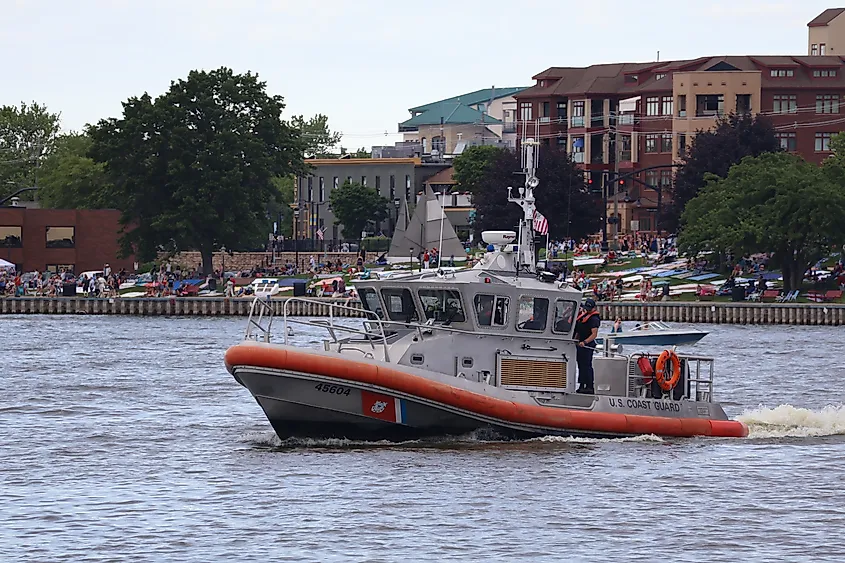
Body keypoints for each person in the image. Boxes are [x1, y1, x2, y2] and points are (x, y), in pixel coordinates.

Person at [574, 298, 601, 394]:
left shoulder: (594, 319)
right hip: (579, 343)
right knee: (580, 365)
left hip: (587, 345)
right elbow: (578, 330)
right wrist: (576, 340)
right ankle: (582, 384)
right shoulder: (584, 316)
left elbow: (594, 334)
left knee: (587, 366)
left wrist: (585, 342)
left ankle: (589, 386)